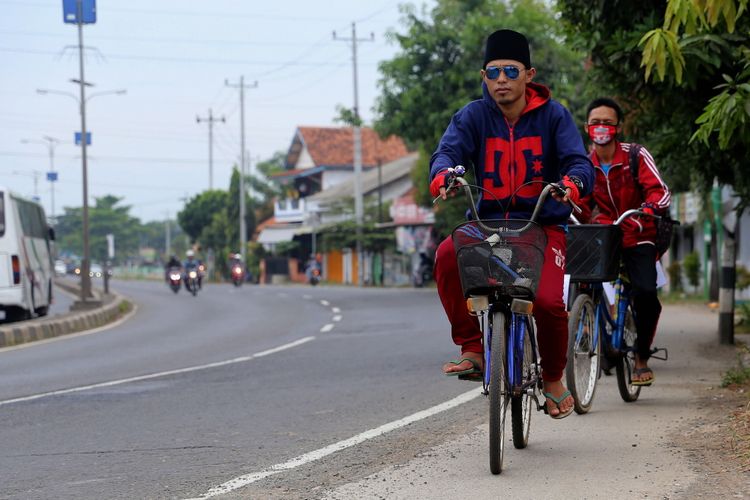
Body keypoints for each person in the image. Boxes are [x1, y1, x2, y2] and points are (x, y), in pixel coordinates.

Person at [431, 29, 594, 418]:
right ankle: (472, 347)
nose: (501, 79)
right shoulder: (472, 116)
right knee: (445, 256)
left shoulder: (555, 116)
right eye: (492, 72)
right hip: (486, 225)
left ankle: (553, 379)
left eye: (509, 70)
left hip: (542, 224)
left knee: (552, 305)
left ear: (528, 74)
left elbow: (578, 162)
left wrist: (571, 184)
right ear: (484, 77)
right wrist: (443, 175)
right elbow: (447, 152)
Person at [579, 97, 671, 386]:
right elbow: (579, 202)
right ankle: (589, 333)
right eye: (596, 123)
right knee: (581, 280)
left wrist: (650, 207)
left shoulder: (635, 155)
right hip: (604, 235)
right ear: (587, 127)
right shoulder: (583, 164)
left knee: (645, 294)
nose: (601, 127)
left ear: (618, 127)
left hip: (638, 233)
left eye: (607, 122)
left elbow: (660, 191)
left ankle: (641, 357)